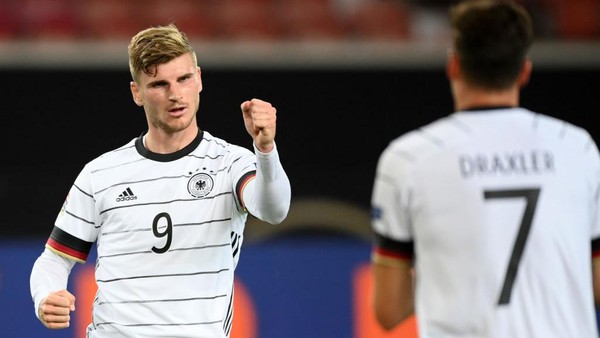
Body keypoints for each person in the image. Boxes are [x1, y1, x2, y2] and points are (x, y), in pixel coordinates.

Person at [30, 24, 291, 338]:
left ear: (199, 78)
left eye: (184, 79)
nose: (175, 95)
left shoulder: (231, 163)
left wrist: (265, 150)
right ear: (137, 93)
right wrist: (45, 294)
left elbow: (274, 210)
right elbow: (55, 258)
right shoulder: (101, 173)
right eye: (158, 84)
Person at [370, 0, 600, 337]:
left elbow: (389, 310)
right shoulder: (577, 147)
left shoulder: (408, 158)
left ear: (453, 66)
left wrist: (448, 263)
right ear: (524, 70)